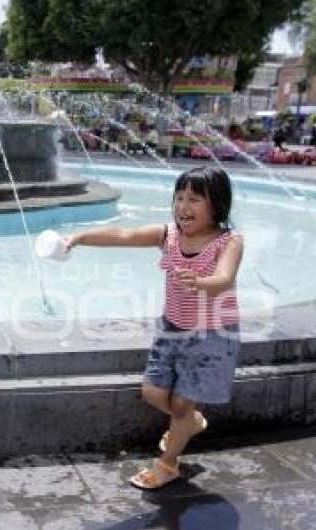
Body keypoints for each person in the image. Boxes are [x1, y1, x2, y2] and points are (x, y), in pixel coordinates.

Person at [64, 167, 243, 490]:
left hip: (211, 336)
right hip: (172, 328)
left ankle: (168, 463)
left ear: (216, 204)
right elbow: (124, 236)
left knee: (180, 405)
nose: (183, 206)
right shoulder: (168, 235)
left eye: (194, 199)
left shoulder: (227, 242)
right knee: (153, 393)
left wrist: (200, 282)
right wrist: (80, 238)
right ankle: (188, 422)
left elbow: (224, 279)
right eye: (179, 197)